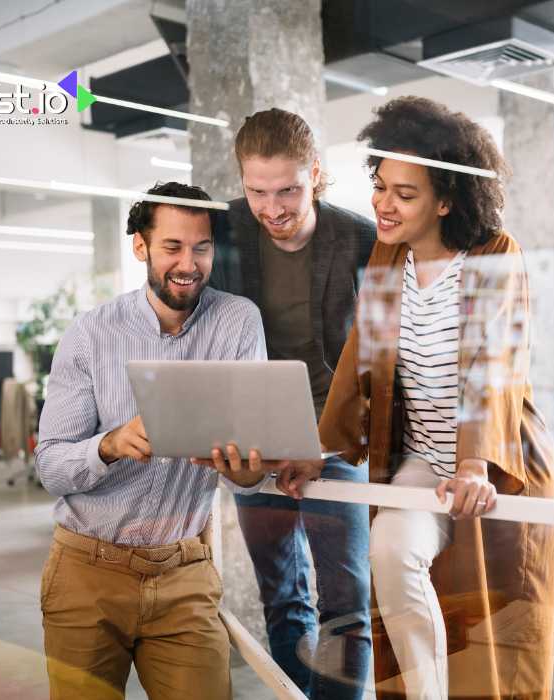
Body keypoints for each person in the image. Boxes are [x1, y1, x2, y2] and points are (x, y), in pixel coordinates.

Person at [281, 96, 554, 700]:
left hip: (497, 458)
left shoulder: (493, 253)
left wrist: (475, 461)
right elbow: (362, 357)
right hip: (422, 457)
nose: (383, 204)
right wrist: (317, 450)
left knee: (505, 623)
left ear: (445, 200)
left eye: (404, 195)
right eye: (381, 186)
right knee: (389, 551)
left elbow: (495, 363)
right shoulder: (389, 256)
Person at [36, 182, 282, 700]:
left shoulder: (239, 322)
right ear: (141, 247)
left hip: (184, 573)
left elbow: (248, 476)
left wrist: (243, 463)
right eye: (172, 247)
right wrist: (109, 444)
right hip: (88, 572)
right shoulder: (91, 334)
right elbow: (51, 467)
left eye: (201, 247)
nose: (188, 263)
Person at [209, 108, 376, 699]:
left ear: (316, 174)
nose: (273, 208)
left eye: (289, 190)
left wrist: (337, 439)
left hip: (334, 435)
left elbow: (382, 359)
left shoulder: (359, 237)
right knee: (281, 594)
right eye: (258, 191)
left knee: (346, 602)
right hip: (256, 432)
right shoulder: (224, 231)